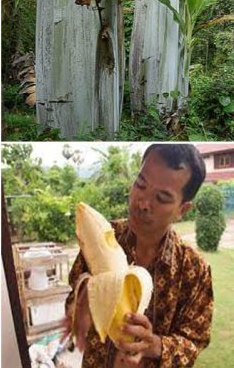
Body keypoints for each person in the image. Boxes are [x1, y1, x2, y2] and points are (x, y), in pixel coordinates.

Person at [66, 144, 213, 367]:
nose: (142, 203)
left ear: (182, 210)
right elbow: (73, 294)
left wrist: (153, 345)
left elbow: (195, 340)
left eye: (162, 198)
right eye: (140, 184)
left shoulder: (195, 270)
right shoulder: (102, 237)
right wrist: (79, 306)